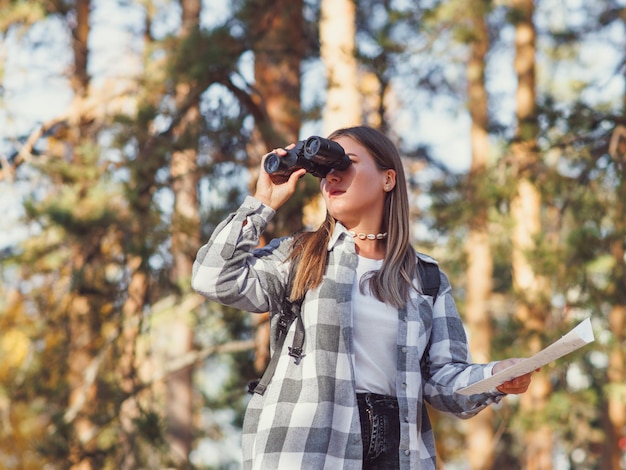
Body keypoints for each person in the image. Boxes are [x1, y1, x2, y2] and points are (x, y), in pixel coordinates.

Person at [191, 125, 534, 470]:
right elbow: (212, 277)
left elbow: (442, 380)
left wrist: (495, 376)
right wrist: (263, 203)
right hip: (307, 446)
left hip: (398, 450)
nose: (333, 176)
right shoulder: (299, 256)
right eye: (326, 169)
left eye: (346, 163)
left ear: (388, 179)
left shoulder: (425, 277)